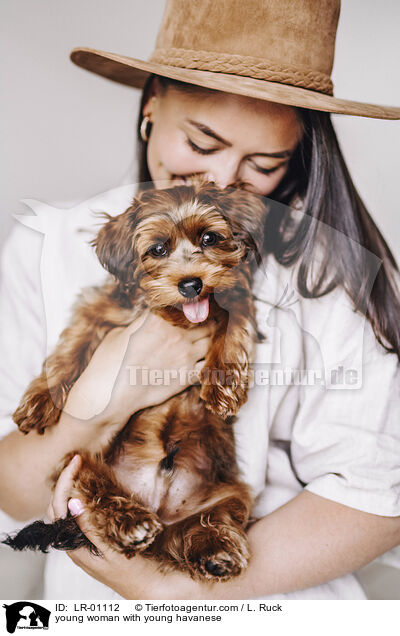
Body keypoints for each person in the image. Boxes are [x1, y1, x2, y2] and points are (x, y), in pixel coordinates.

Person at [1, 0, 400, 600]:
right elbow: (12, 486)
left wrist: (168, 591)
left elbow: (378, 496)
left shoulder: (330, 275)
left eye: (263, 164)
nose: (220, 183)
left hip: (273, 606)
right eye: (201, 141)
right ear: (152, 105)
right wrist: (106, 397)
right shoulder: (49, 243)